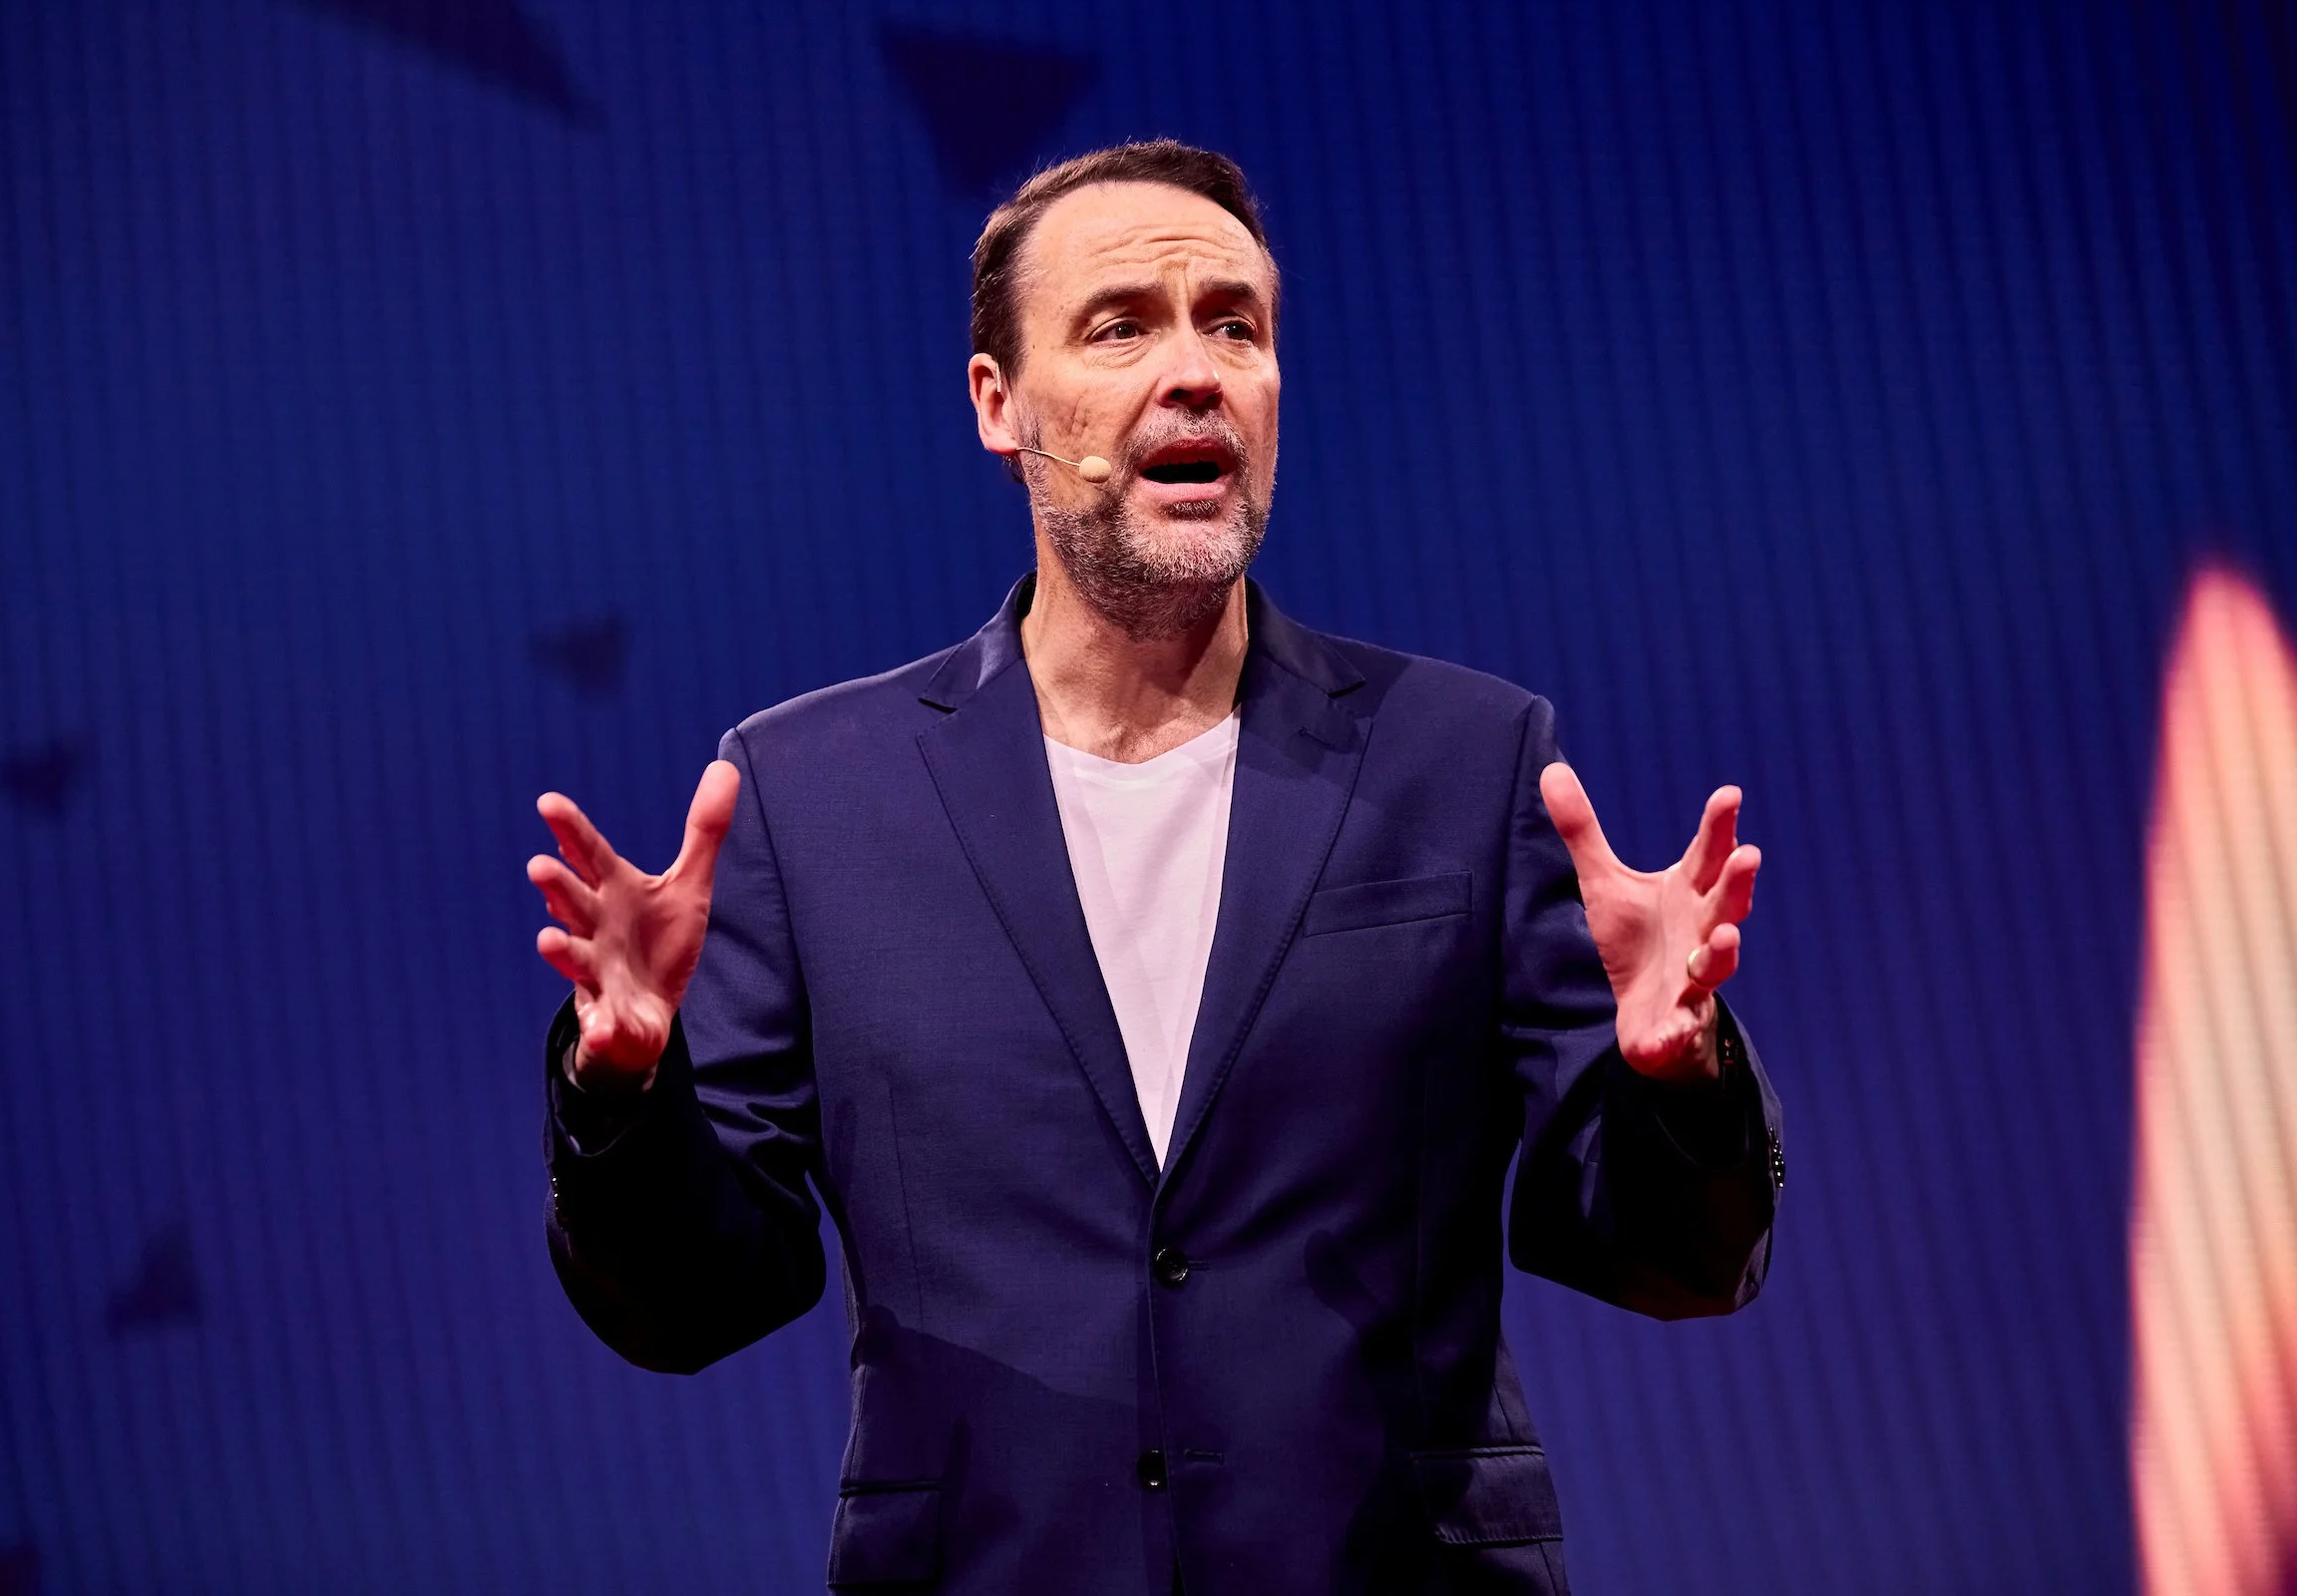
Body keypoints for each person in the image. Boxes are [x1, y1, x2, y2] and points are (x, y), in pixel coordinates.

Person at [527, 140, 1783, 1596]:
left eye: (1234, 326)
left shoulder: (1467, 758)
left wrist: (1677, 1080)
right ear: (999, 406)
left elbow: (1670, 1261)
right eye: (1122, 325)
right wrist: (620, 1092)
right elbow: (695, 1301)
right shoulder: (815, 797)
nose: (1196, 372)